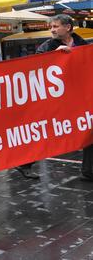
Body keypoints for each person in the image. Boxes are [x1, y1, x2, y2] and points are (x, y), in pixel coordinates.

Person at [16, 14, 90, 180]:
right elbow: (35, 67)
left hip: (77, 96)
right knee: (45, 130)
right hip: (55, 99)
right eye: (51, 27)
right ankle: (25, 163)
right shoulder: (47, 46)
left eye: (55, 26)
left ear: (68, 27)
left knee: (89, 126)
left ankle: (89, 170)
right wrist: (54, 56)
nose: (52, 30)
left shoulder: (82, 44)